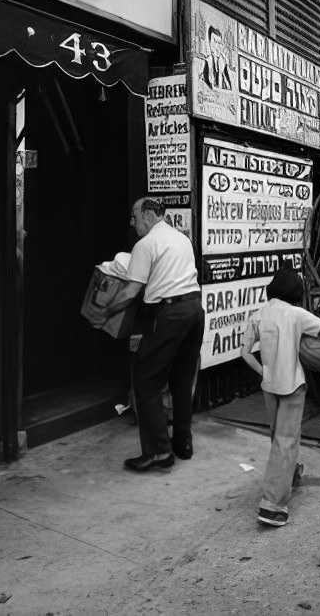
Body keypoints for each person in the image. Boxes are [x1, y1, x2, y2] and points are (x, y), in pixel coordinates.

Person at [88, 196, 203, 472]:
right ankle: (182, 443)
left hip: (169, 315)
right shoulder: (181, 238)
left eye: (134, 217)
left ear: (150, 216)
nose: (132, 223)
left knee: (146, 383)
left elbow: (130, 291)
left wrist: (105, 312)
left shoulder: (146, 244)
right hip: (194, 310)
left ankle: (158, 452)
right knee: (182, 380)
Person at [240, 267, 320, 528]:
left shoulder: (258, 314)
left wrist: (264, 370)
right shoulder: (296, 314)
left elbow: (245, 352)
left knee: (278, 438)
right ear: (295, 291)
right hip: (292, 386)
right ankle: (272, 505)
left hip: (269, 385)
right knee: (286, 441)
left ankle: (292, 474)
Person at [201, 25, 232, 90]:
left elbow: (229, 88)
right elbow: (207, 85)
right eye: (214, 41)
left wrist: (221, 72)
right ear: (209, 43)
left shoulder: (222, 62)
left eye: (219, 43)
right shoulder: (207, 61)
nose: (217, 46)